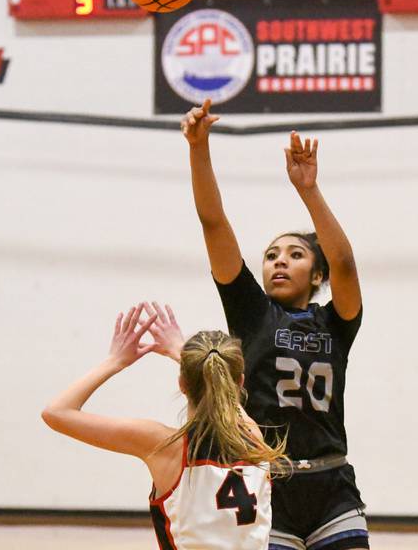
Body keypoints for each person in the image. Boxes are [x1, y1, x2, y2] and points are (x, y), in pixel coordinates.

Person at [180, 99, 369, 550]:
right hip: (267, 485)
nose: (280, 260)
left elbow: (343, 260)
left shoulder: (336, 322)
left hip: (332, 485)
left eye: (296, 254)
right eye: (271, 255)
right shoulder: (252, 312)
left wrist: (309, 190)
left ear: (317, 275)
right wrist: (198, 148)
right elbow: (213, 224)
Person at [41, 303, 287, 550]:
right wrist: (179, 351)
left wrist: (116, 361)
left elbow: (56, 412)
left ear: (182, 384)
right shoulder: (253, 437)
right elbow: (224, 391)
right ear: (240, 381)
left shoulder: (165, 446)